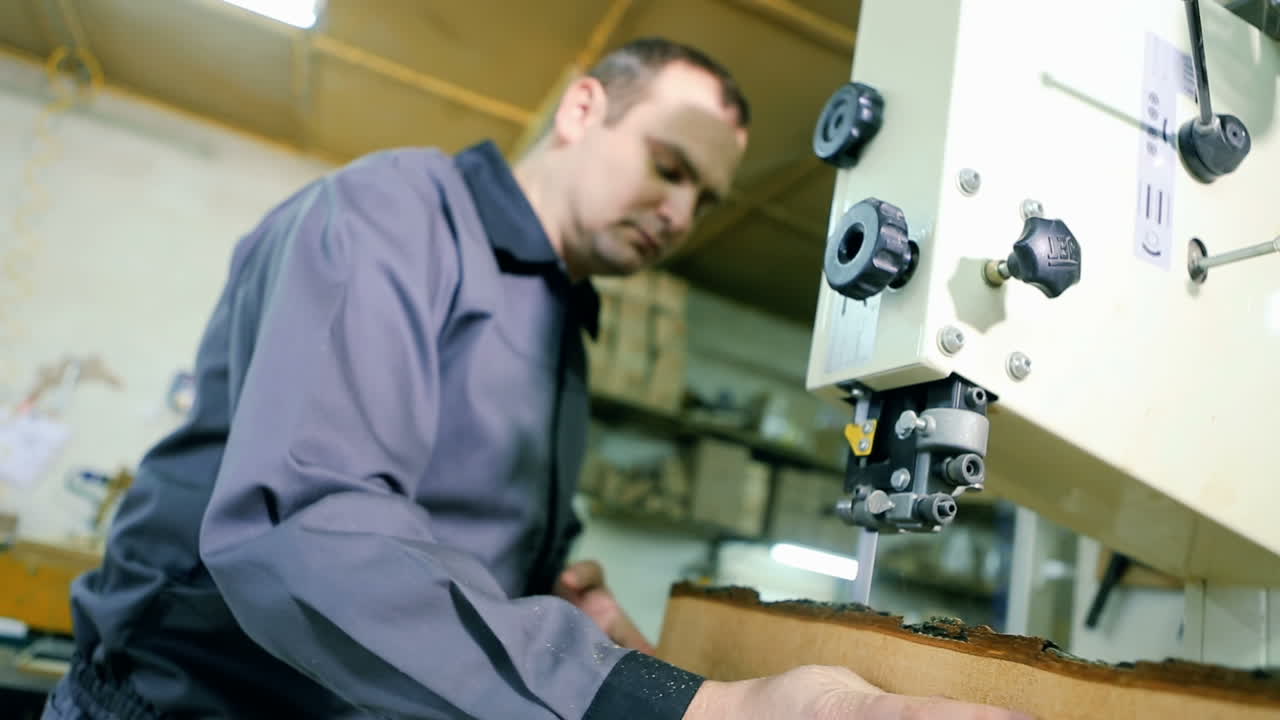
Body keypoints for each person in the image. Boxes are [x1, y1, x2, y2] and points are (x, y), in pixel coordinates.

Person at [44, 37, 1031, 720]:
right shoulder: (392, 211)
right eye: (669, 165)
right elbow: (307, 525)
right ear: (582, 107)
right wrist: (680, 702)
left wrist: (573, 609)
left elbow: (458, 547)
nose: (682, 215)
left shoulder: (563, 317)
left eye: (705, 196)